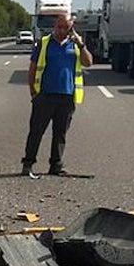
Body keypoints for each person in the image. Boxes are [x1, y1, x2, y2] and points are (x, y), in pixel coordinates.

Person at [22, 13, 92, 176]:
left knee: (60, 133)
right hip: (45, 95)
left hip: (67, 96)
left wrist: (81, 45)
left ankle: (56, 165)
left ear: (71, 29)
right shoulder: (44, 43)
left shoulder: (75, 45)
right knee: (36, 131)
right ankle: (28, 164)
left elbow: (88, 63)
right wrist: (33, 91)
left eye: (66, 28)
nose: (61, 30)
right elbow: (32, 68)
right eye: (59, 27)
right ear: (55, 26)